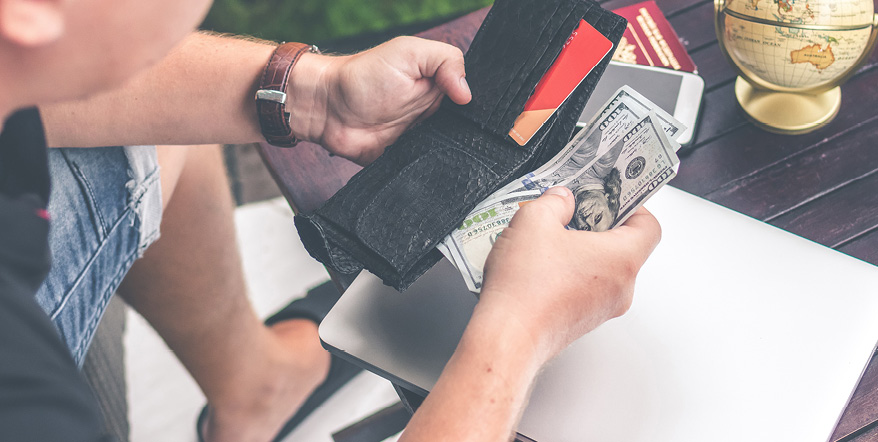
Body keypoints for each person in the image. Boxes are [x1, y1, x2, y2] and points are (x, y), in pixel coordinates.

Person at [0, 2, 662, 442]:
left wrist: (316, 95)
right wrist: (518, 330)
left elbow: (58, 75)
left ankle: (257, 387)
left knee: (146, 137)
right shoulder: (26, 399)